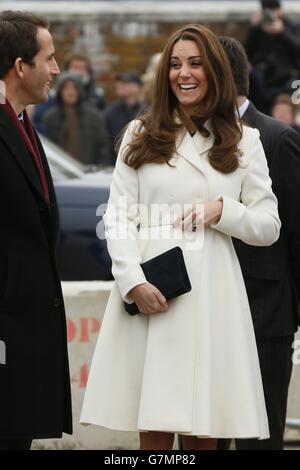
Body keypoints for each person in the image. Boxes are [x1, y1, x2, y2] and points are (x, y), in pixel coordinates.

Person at [80, 24, 281, 451]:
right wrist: (133, 282)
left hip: (212, 294)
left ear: (215, 72)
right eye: (174, 64)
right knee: (151, 420)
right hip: (152, 288)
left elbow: (268, 227)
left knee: (202, 421)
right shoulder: (139, 134)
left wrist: (221, 211)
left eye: (195, 63)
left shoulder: (246, 142)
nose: (183, 73)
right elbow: (117, 219)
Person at [218, 35, 300, 450]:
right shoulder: (184, 138)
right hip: (205, 314)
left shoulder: (277, 139)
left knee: (259, 440)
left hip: (264, 315)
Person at [0, 11, 72, 450]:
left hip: (24, 335)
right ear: (21, 66)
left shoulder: (24, 123)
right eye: (49, 57)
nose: (57, 69)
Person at [42, 72, 111, 166]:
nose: (70, 92)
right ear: (60, 91)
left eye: (74, 88)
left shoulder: (94, 117)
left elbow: (103, 148)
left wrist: (100, 168)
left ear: (80, 90)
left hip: (90, 173)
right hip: (60, 172)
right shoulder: (50, 117)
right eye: (66, 88)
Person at [245, 0, 300, 112]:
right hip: (265, 80)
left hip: (289, 78)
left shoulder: (290, 25)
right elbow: (246, 52)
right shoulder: (259, 28)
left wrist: (282, 32)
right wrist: (253, 28)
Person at [104, 71, 142, 165]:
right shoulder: (110, 113)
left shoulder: (148, 113)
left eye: (125, 82)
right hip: (114, 166)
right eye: (118, 82)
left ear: (137, 87)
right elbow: (105, 145)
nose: (119, 84)